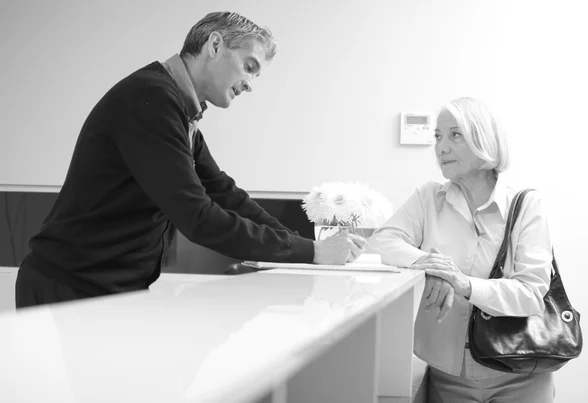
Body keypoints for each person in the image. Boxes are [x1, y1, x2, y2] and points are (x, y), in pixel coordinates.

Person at [15, 11, 366, 308]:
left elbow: (224, 193)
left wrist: (310, 248)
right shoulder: (151, 101)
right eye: (249, 66)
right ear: (214, 45)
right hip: (68, 288)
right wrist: (312, 251)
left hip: (105, 290)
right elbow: (198, 217)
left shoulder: (181, 111)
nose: (249, 84)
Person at [368, 97, 554, 402]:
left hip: (520, 375)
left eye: (455, 135)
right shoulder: (428, 198)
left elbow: (532, 293)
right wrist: (431, 266)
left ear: (484, 139)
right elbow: (381, 242)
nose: (441, 147)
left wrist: (465, 284)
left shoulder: (526, 205)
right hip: (447, 375)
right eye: (438, 137)